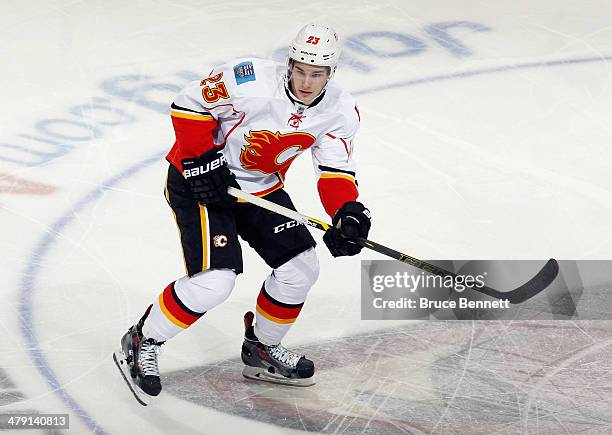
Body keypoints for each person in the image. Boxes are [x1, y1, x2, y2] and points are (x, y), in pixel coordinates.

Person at [113, 23, 372, 403]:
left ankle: (262, 348)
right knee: (215, 282)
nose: (306, 81)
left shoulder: (341, 110)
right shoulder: (248, 78)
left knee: (301, 268)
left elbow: (334, 173)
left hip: (259, 190)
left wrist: (346, 212)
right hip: (200, 183)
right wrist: (202, 159)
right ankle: (142, 340)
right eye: (300, 69)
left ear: (331, 73)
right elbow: (187, 105)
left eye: (317, 74)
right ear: (289, 63)